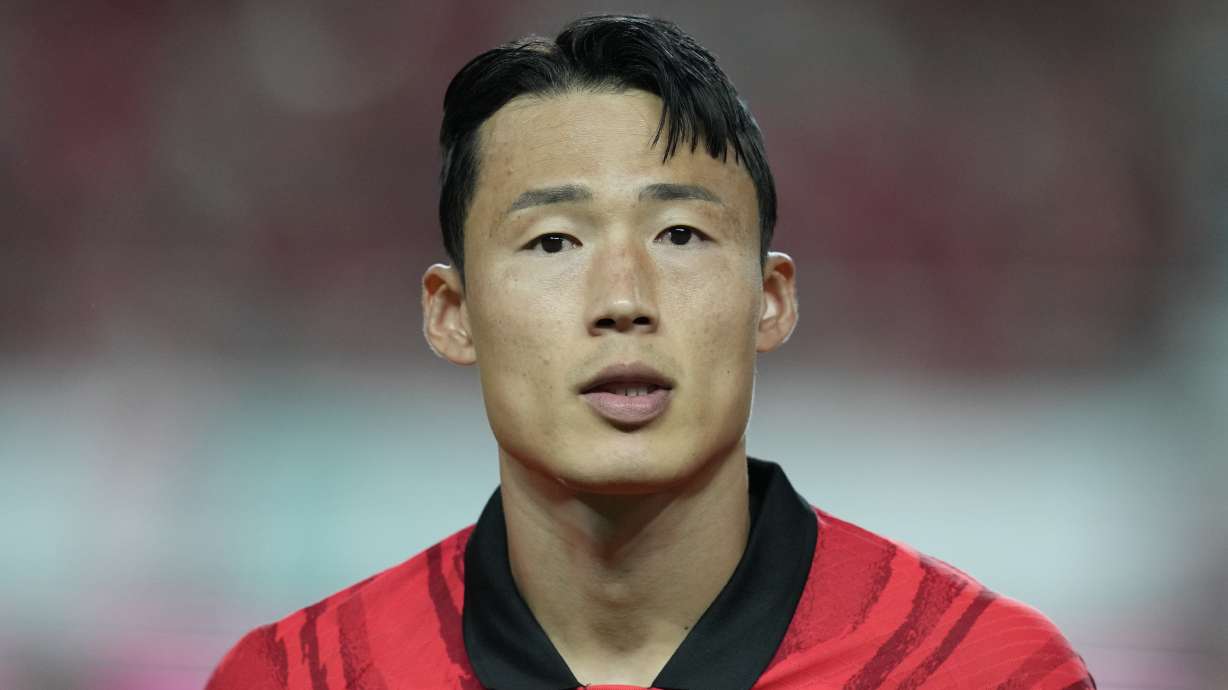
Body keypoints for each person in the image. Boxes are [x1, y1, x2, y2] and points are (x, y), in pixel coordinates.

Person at [205, 14, 1096, 690]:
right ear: (452, 314)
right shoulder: (301, 675)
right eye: (554, 243)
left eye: (680, 234)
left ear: (772, 301)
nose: (624, 301)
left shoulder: (977, 671)